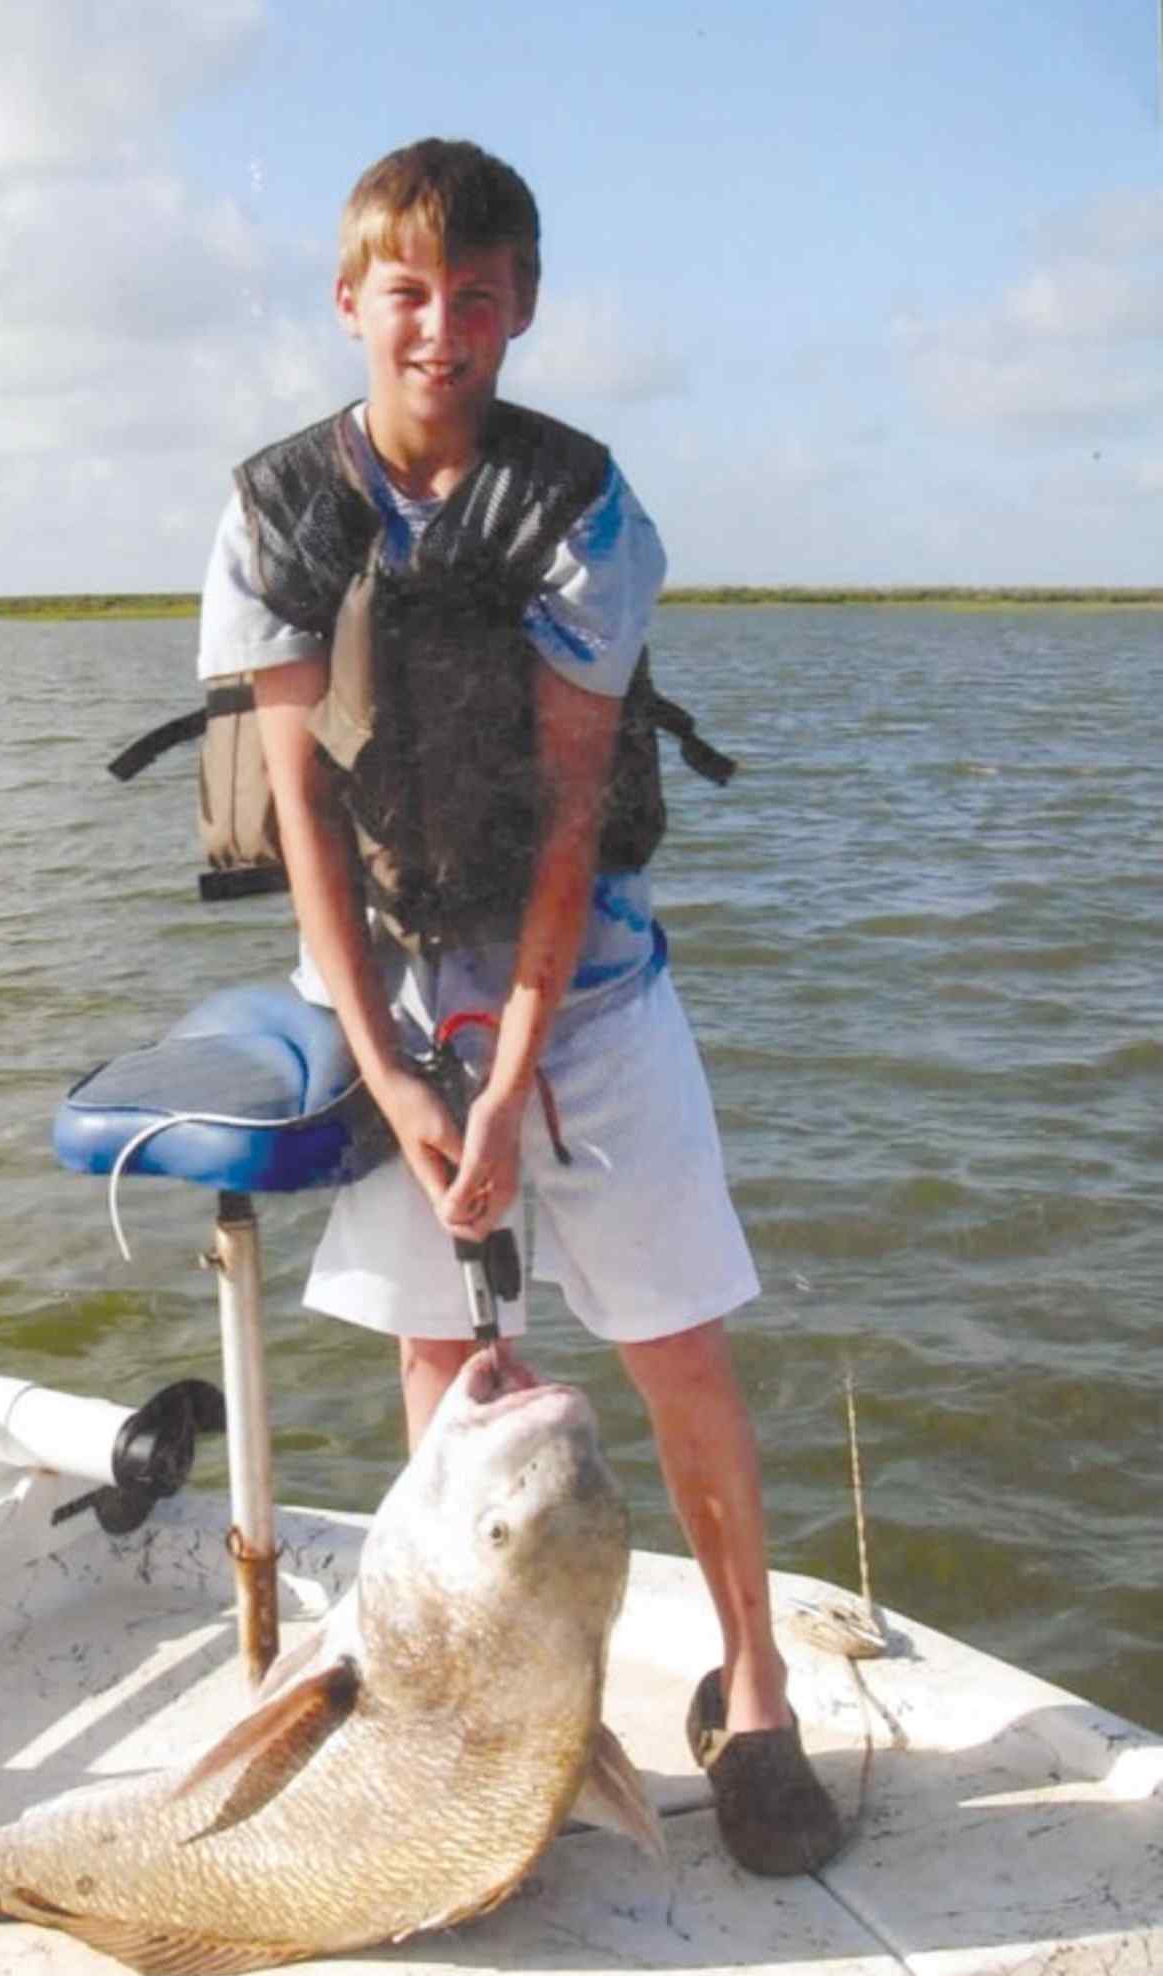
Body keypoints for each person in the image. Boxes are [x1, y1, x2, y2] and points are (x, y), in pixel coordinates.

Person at [196, 138, 841, 1877]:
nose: (440, 327)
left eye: (475, 296)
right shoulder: (273, 513)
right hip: (391, 978)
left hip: (590, 981)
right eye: (407, 292)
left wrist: (518, 1064)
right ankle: (474, 1704)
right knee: (445, 1356)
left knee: (677, 1341)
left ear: (524, 309)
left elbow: (570, 813)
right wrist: (400, 1073)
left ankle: (755, 1693)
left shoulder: (585, 508)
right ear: (351, 300)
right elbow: (301, 814)